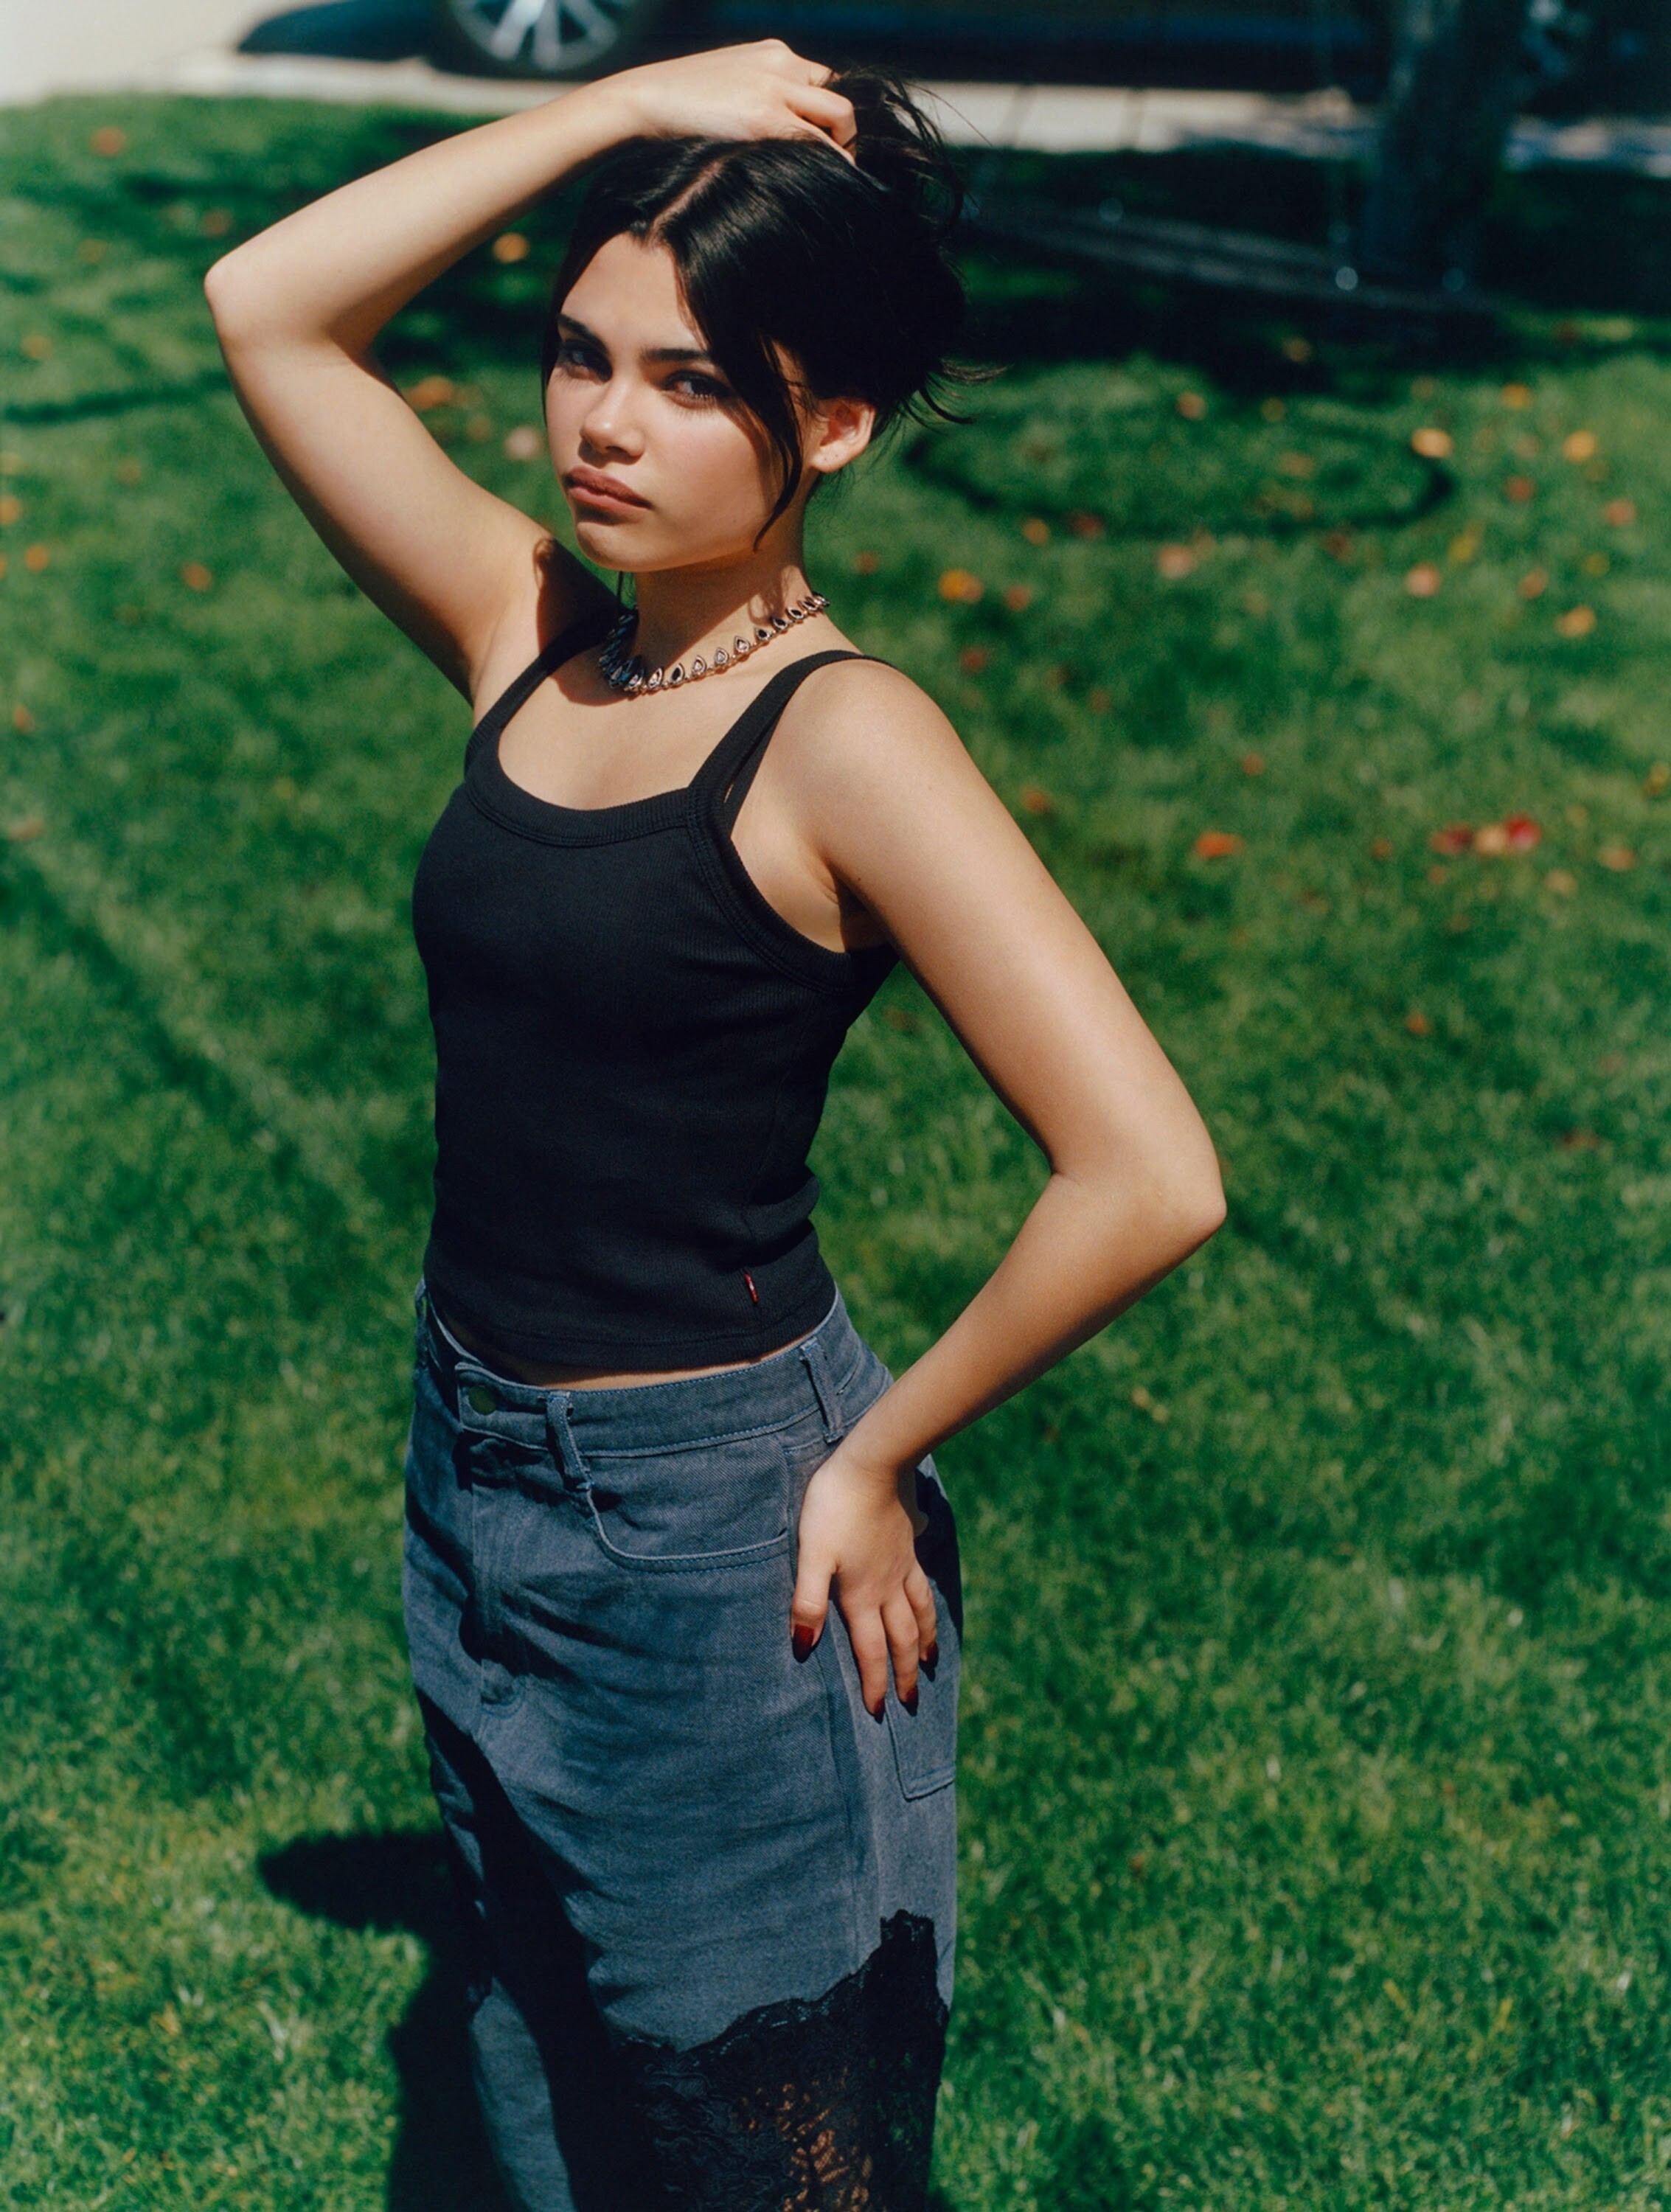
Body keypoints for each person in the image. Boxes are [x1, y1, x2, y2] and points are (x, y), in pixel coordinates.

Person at [205, 40, 1224, 2210]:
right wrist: (613, 113)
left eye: (686, 384)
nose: (601, 423)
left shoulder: (844, 740)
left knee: (756, 2135)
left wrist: (870, 1460)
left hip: (713, 1530)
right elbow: (268, 308)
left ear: (827, 427)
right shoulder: (529, 634)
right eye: (581, 358)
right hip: (472, 1468)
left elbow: (1147, 1170)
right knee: (536, 2065)